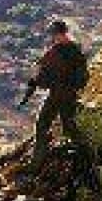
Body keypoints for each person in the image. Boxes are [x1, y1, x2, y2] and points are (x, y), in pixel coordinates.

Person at [19, 19, 89, 153]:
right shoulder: (76, 50)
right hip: (70, 95)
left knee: (42, 125)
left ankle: (38, 159)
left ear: (58, 34)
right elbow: (83, 76)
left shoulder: (55, 52)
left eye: (53, 34)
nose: (52, 37)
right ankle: (83, 151)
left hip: (58, 95)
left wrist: (30, 91)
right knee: (69, 126)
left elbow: (39, 75)